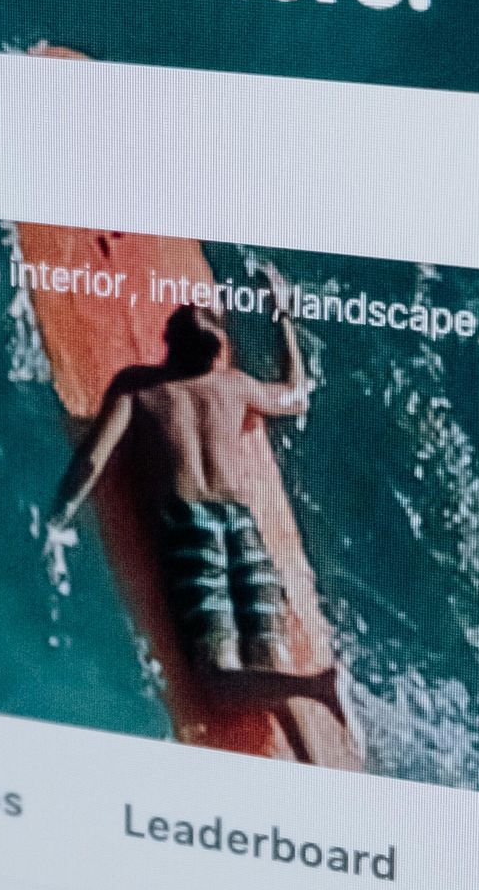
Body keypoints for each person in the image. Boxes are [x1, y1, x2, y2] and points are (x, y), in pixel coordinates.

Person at [48, 270, 356, 753]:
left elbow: (93, 458)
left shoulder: (138, 390)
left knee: (217, 681)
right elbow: (297, 393)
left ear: (169, 342)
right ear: (219, 352)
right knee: (266, 664)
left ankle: (311, 686)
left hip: (191, 529)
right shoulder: (236, 387)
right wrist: (284, 318)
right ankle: (310, 736)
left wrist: (57, 521)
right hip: (242, 524)